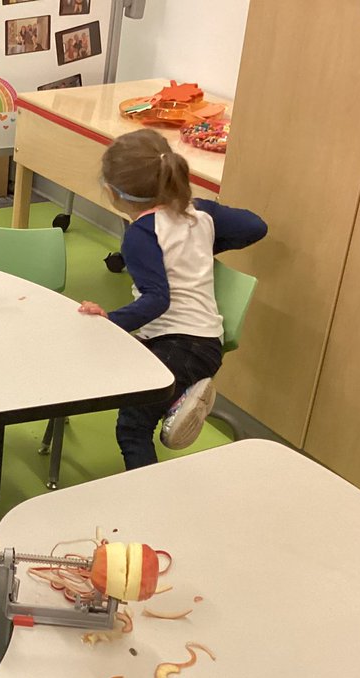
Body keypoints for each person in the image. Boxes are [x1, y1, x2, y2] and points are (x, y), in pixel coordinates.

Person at [77, 129, 267, 469]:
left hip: (177, 346)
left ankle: (152, 499)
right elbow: (255, 226)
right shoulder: (201, 213)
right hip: (204, 342)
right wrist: (203, 247)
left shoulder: (140, 235)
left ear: (112, 193)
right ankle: (178, 396)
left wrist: (110, 320)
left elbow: (157, 300)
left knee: (132, 427)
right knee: (121, 375)